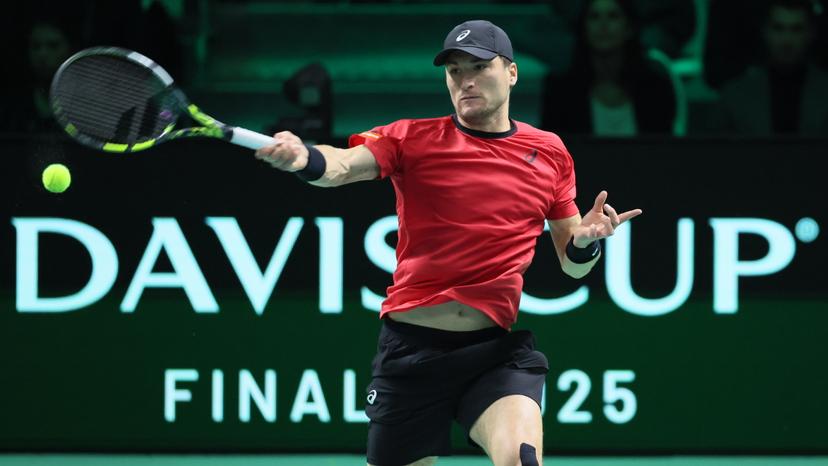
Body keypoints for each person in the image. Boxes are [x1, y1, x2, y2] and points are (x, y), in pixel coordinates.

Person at [255, 20, 642, 466]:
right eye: (455, 70)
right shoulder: (411, 138)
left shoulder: (549, 152)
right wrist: (304, 156)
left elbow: (572, 262)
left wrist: (587, 242)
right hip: (410, 354)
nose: (466, 80)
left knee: (521, 459)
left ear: (511, 73)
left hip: (493, 354)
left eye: (479, 66)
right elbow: (343, 165)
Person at [540, 0, 677, 136]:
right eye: (594, 17)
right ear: (584, 28)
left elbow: (664, 150)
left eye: (613, 16)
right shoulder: (561, 93)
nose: (603, 25)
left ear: (629, 28)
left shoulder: (655, 90)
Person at [715, 0, 828, 135]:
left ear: (811, 33)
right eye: (778, 28)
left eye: (796, 29)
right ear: (765, 31)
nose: (787, 40)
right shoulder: (734, 95)